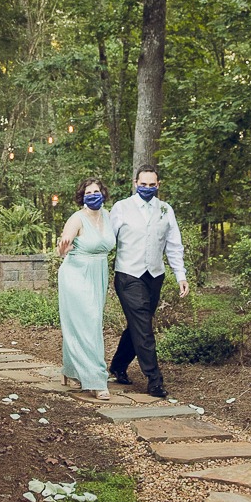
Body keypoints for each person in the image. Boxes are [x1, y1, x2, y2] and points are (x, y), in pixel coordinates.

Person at [109, 165, 188, 399]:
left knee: (138, 324)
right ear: (135, 183)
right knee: (143, 326)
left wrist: (180, 275)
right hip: (128, 275)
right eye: (143, 184)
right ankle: (154, 380)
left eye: (151, 185)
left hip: (154, 276)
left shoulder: (165, 209)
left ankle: (117, 366)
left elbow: (174, 245)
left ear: (158, 185)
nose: (147, 188)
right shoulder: (121, 208)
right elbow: (107, 240)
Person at [57, 177, 116, 401]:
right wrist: (63, 248)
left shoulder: (108, 216)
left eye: (97, 191)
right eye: (89, 192)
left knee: (87, 323)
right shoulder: (77, 218)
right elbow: (62, 248)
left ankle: (70, 371)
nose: (93, 195)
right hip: (76, 274)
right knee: (89, 325)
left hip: (98, 274)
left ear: (103, 194)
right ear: (82, 197)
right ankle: (96, 380)